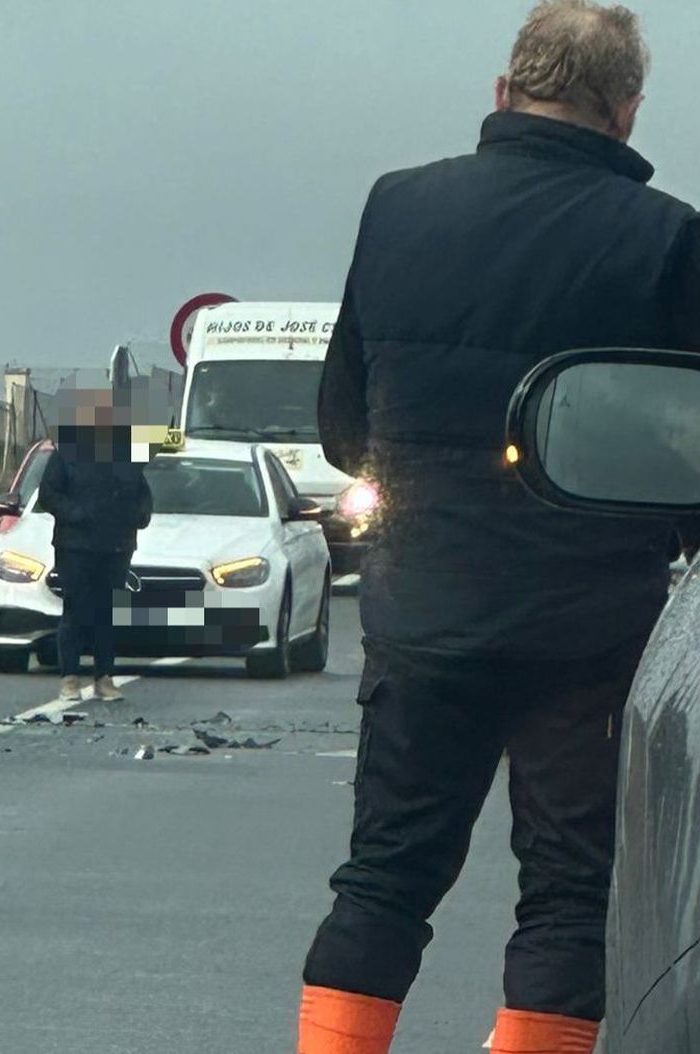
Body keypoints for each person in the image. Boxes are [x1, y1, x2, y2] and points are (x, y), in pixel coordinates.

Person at [295, 4, 700, 1052]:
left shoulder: (397, 208)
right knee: (567, 899)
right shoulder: (669, 238)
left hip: (423, 614)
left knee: (382, 882)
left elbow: (344, 426)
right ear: (625, 110)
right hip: (591, 635)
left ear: (504, 92)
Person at [34, 387, 154, 703]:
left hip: (116, 547)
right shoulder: (67, 455)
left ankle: (104, 678)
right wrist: (75, 513)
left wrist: (139, 516)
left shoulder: (127, 458)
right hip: (75, 547)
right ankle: (69, 678)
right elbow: (48, 495)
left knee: (107, 613)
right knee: (75, 610)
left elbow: (143, 496)